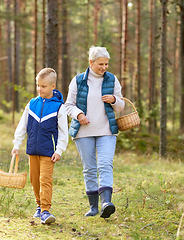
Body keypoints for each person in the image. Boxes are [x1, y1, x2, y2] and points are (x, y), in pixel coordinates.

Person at [65, 46, 125, 218]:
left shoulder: (112, 80)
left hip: (107, 130)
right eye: (100, 64)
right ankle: (93, 207)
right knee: (89, 168)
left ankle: (106, 202)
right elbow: (68, 105)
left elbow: (121, 105)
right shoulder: (78, 81)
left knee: (105, 164)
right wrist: (79, 114)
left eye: (106, 64)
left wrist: (114, 100)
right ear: (90, 62)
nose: (104, 67)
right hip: (83, 131)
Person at [12, 68, 69, 224]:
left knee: (45, 179)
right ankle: (38, 205)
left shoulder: (59, 107)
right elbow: (22, 126)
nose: (39, 89)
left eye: (43, 86)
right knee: (34, 180)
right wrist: (17, 144)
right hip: (32, 150)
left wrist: (59, 150)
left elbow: (64, 132)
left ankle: (45, 210)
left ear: (53, 86)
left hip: (48, 152)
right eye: (38, 85)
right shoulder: (32, 104)